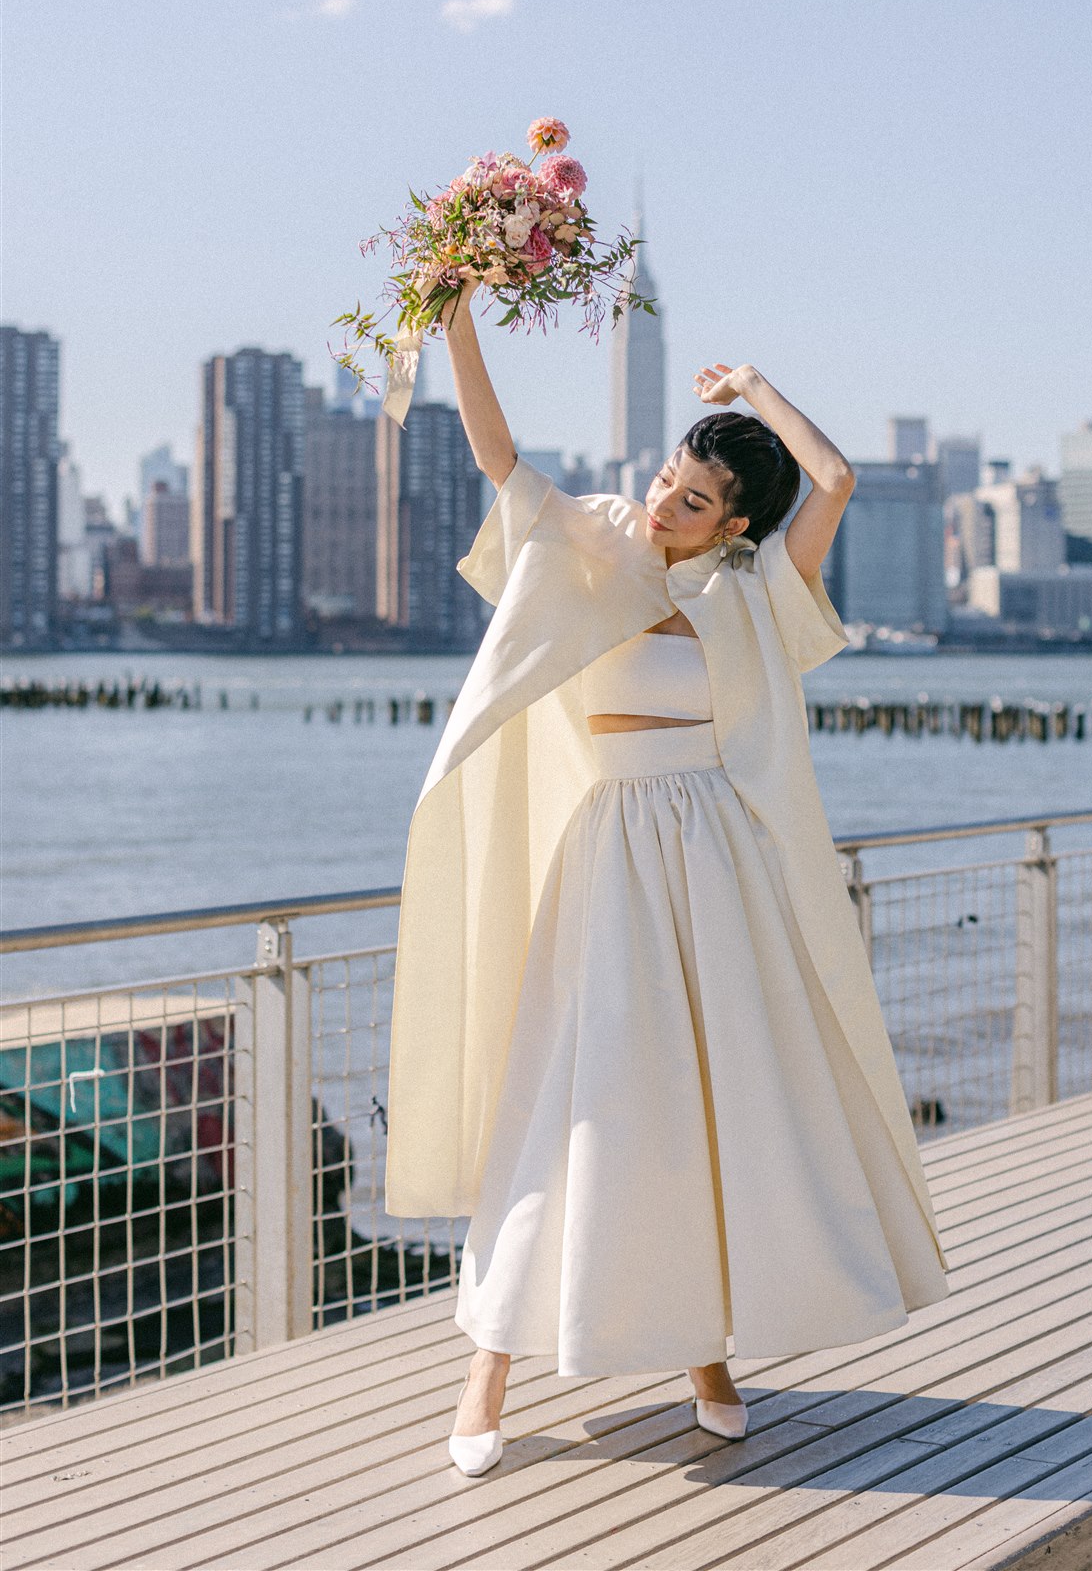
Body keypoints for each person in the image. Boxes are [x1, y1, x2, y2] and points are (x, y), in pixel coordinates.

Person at [382, 288, 949, 1479]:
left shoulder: (751, 593)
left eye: (695, 498)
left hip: (715, 861)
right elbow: (496, 454)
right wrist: (456, 324)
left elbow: (834, 477)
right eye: (667, 478)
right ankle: (487, 1362)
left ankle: (704, 1357)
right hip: (609, 856)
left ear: (735, 522)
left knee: (703, 1105)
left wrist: (751, 389)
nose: (665, 502)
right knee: (572, 1099)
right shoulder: (587, 543)